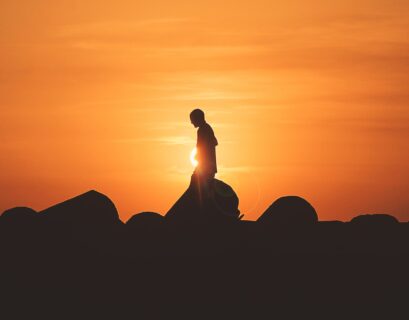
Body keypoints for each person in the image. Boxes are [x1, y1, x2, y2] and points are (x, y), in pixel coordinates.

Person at [190, 109, 218, 203]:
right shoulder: (205, 128)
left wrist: (199, 156)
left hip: (206, 166)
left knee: (199, 187)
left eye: (192, 120)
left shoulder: (204, 129)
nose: (191, 122)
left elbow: (204, 146)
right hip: (206, 165)